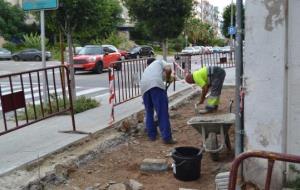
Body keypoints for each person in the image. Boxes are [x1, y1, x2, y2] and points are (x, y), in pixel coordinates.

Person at [140, 58, 176, 144]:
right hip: (155, 85)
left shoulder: (149, 69)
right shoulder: (159, 61)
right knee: (162, 112)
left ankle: (152, 135)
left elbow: (163, 77)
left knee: (149, 112)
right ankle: (167, 138)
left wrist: (168, 78)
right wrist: (168, 77)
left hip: (143, 88)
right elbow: (168, 69)